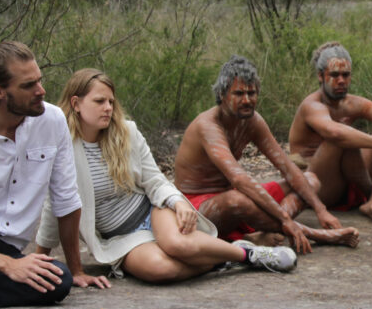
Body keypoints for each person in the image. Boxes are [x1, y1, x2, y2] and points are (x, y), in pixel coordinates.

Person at [36, 69, 295, 281]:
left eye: (111, 102)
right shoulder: (63, 148)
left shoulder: (127, 132)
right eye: (99, 101)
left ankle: (248, 255)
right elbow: (55, 204)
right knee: (161, 270)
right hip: (120, 238)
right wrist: (41, 259)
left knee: (177, 246)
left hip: (151, 210)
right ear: (76, 103)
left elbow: (155, 180)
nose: (108, 108)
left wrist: (178, 202)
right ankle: (222, 256)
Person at [174, 56, 359, 253]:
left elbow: (288, 168)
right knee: (237, 200)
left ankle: (263, 231)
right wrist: (285, 219)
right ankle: (311, 234)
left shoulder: (252, 121)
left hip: (236, 199)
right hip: (198, 207)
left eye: (251, 93)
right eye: (238, 93)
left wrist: (321, 210)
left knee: (310, 180)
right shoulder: (208, 126)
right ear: (222, 94)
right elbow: (239, 179)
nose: (247, 100)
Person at [0, 42, 108, 308]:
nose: (40, 91)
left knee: (58, 280)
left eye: (39, 81)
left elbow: (66, 199)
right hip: (0, 257)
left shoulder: (53, 121)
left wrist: (77, 270)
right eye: (27, 86)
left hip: (8, 248)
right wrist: (7, 265)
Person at [288, 42, 372, 223]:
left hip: (347, 178)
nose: (341, 81)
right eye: (334, 75)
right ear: (320, 76)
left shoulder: (352, 103)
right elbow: (336, 133)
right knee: (343, 137)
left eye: (345, 75)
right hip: (318, 186)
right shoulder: (312, 106)